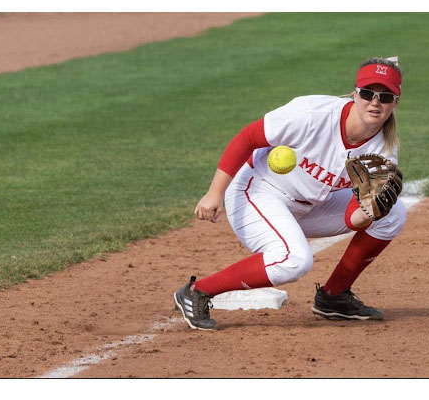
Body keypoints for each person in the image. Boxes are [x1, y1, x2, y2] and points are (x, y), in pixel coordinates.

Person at [174, 57, 407, 330]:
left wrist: (367, 212)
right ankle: (197, 291)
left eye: (385, 96)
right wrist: (214, 193)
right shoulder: (312, 114)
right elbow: (248, 137)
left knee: (394, 213)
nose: (375, 102)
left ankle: (333, 297)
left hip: (310, 205)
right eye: (368, 94)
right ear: (355, 94)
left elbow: (351, 218)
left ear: (396, 102)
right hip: (258, 192)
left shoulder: (382, 154)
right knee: (295, 261)